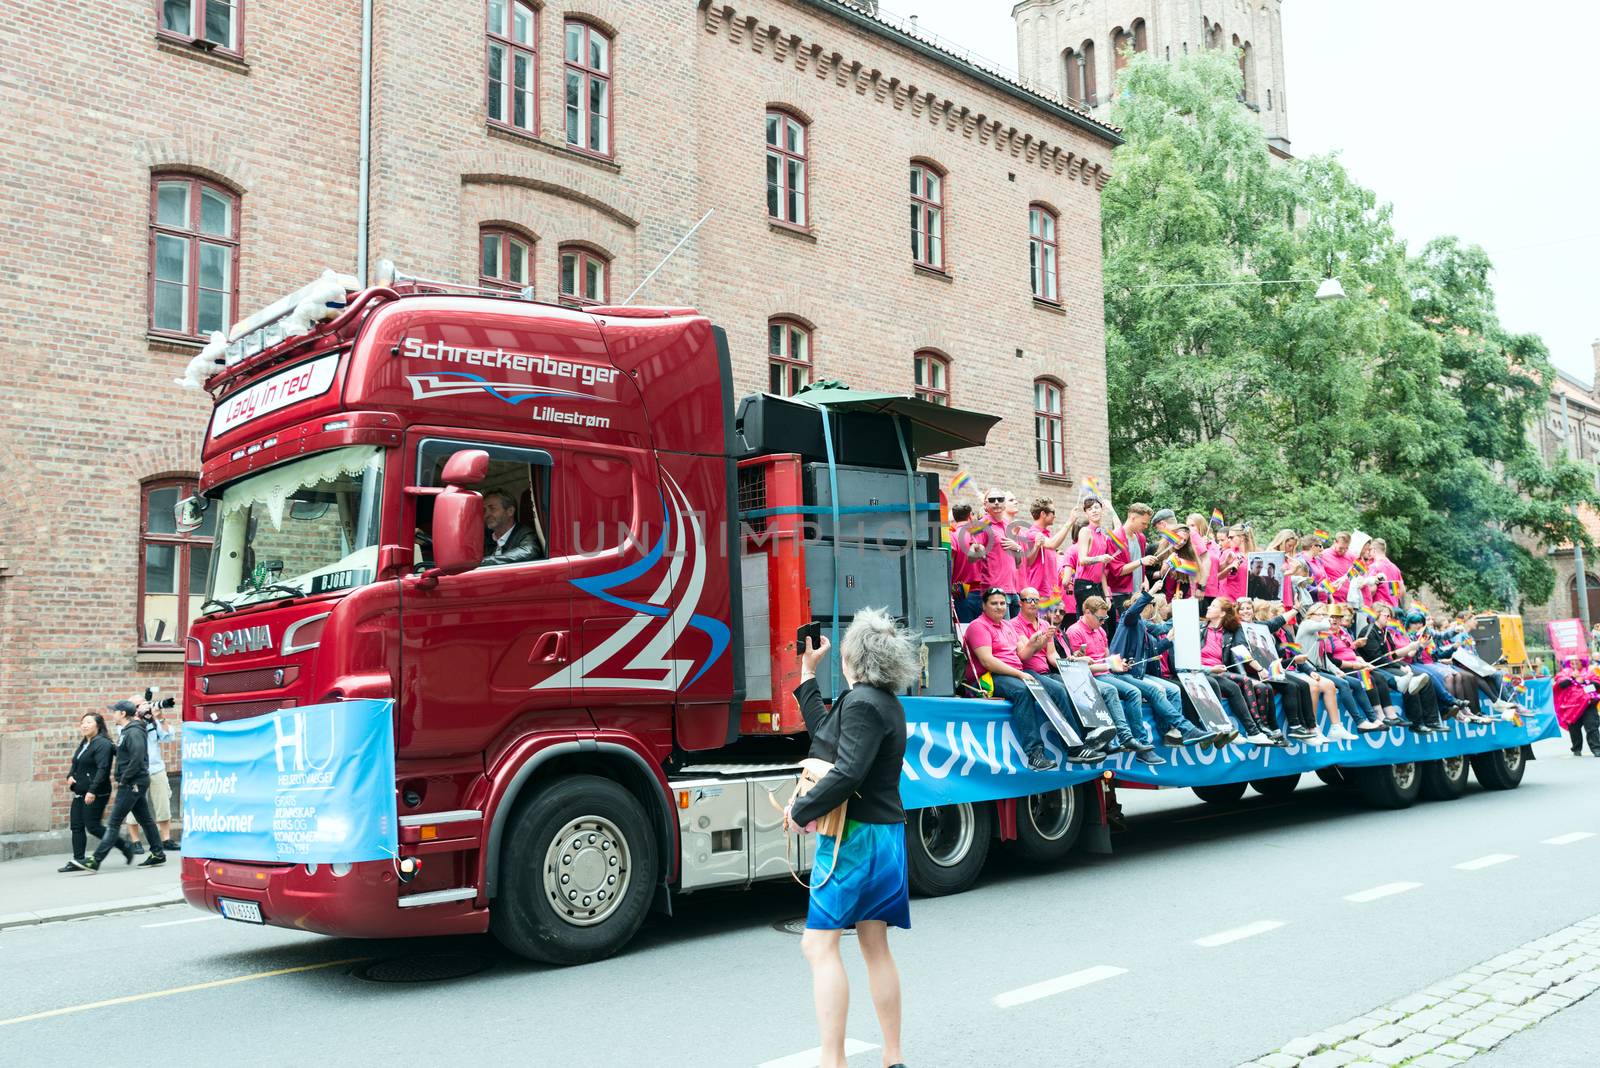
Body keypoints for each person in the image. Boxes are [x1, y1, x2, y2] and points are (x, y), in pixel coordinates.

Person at [785, 611, 913, 1068]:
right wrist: (807, 675)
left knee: (818, 945)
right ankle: (892, 1056)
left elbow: (846, 771)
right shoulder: (883, 702)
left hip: (854, 839)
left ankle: (832, 1062)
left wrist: (799, 809)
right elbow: (827, 736)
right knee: (875, 944)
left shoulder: (861, 702)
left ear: (854, 656)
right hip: (887, 837)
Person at [963, 587, 1059, 770]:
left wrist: (1035, 643)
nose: (999, 607)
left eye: (1002, 603)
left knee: (1054, 688)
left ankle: (1075, 743)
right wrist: (1020, 674)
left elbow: (1023, 654)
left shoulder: (1007, 625)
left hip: (1013, 673)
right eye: (994, 603)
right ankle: (1034, 755)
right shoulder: (978, 626)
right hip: (988, 678)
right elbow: (988, 662)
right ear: (983, 606)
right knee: (1023, 690)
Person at [1011, 588, 1112, 761]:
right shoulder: (1014, 625)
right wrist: (1036, 643)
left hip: (1046, 671)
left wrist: (1068, 662)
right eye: (1029, 600)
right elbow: (1023, 656)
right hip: (1027, 671)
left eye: (1037, 600)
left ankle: (1092, 734)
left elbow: (1051, 656)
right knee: (1059, 691)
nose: (1034, 604)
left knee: (1077, 682)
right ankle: (1074, 747)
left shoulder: (1043, 624)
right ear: (1020, 602)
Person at [1107, 588, 1215, 748]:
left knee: (1173, 689)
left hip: (1136, 673)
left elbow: (1155, 646)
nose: (1155, 609)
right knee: (1156, 690)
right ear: (1146, 606)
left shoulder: (1143, 626)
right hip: (1120, 673)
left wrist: (1177, 627)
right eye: (1153, 605)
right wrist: (1152, 590)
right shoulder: (1127, 619)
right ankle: (1187, 729)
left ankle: (1170, 733)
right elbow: (1133, 613)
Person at [1061, 596, 1162, 763]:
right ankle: (1125, 736)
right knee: (1111, 690)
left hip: (1105, 673)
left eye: (1105, 618)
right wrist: (1110, 666)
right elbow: (1076, 668)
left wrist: (1118, 663)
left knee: (1134, 691)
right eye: (1100, 618)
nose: (1103, 622)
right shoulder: (1074, 631)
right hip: (1087, 677)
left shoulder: (1100, 630)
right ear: (1087, 613)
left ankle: (1137, 740)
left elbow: (1108, 657)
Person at [70, 701, 166, 871]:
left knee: (114, 822)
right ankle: (158, 853)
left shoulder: (134, 732)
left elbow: (137, 758)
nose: (112, 714)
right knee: (145, 819)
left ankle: (95, 861)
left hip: (132, 783)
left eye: (114, 711)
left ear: (122, 714)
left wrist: (124, 779)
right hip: (134, 781)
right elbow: (123, 753)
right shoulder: (127, 731)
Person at [1200, 598, 1283, 745]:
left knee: (1257, 684)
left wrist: (1261, 668)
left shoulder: (1229, 632)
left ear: (1222, 613)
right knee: (1243, 682)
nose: (1208, 608)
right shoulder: (1199, 629)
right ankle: (1254, 730)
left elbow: (1241, 651)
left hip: (1221, 670)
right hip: (1203, 671)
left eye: (1213, 606)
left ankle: (1260, 729)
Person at [61, 711, 123, 872]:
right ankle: (78, 860)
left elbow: (103, 769)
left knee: (93, 827)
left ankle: (125, 845)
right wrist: (69, 776)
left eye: (88, 722)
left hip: (96, 792)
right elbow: (76, 763)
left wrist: (92, 791)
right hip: (80, 791)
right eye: (83, 722)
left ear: (98, 725)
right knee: (76, 826)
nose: (84, 725)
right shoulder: (85, 743)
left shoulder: (102, 743)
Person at [1103, 503, 1156, 639]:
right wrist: (1141, 561)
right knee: (1125, 632)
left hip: (1137, 592)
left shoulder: (1141, 538)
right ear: (1132, 517)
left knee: (1138, 631)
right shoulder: (1114, 538)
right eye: (1143, 523)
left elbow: (1139, 563)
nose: (1146, 526)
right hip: (1121, 594)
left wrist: (1144, 578)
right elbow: (1117, 570)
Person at [968, 489, 1023, 615]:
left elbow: (1018, 564)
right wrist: (976, 551)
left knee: (1014, 634)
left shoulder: (1008, 525)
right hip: (995, 591)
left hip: (1013, 590)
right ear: (985, 505)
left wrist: (1018, 548)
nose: (997, 502)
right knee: (1003, 633)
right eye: (992, 500)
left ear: (1004, 504)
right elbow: (971, 557)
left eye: (1000, 499)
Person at [138, 700, 180, 852]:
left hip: (156, 768)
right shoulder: (126, 723)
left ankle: (166, 839)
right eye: (140, 705)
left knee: (163, 804)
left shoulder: (152, 722)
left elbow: (168, 737)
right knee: (133, 806)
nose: (146, 707)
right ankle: (136, 841)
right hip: (137, 770)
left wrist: (159, 717)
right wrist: (141, 716)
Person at [1071, 497, 1115, 609]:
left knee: (1101, 624)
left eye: (1096, 507)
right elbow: (1082, 560)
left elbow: (1102, 571)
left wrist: (1107, 595)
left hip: (1097, 585)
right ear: (1086, 513)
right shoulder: (1085, 531)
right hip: (1084, 584)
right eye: (1090, 509)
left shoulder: (1103, 536)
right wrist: (1100, 558)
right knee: (1091, 623)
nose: (1094, 511)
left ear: (1102, 510)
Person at [1554, 657, 1600, 756]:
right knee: (1574, 729)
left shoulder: (1589, 673)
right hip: (1571, 707)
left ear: (1582, 662)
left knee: (1592, 727)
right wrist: (1572, 678)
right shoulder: (1564, 673)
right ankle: (1576, 748)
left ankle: (1596, 749)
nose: (1574, 663)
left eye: (1577, 661)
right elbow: (1561, 685)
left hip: (1588, 705)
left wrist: (1584, 680)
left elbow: (1597, 684)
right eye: (1572, 661)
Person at [483, 491, 539, 565]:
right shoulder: (485, 538)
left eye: (492, 509)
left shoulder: (524, 533)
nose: (486, 515)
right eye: (484, 510)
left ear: (510, 511)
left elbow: (529, 551)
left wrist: (485, 561)